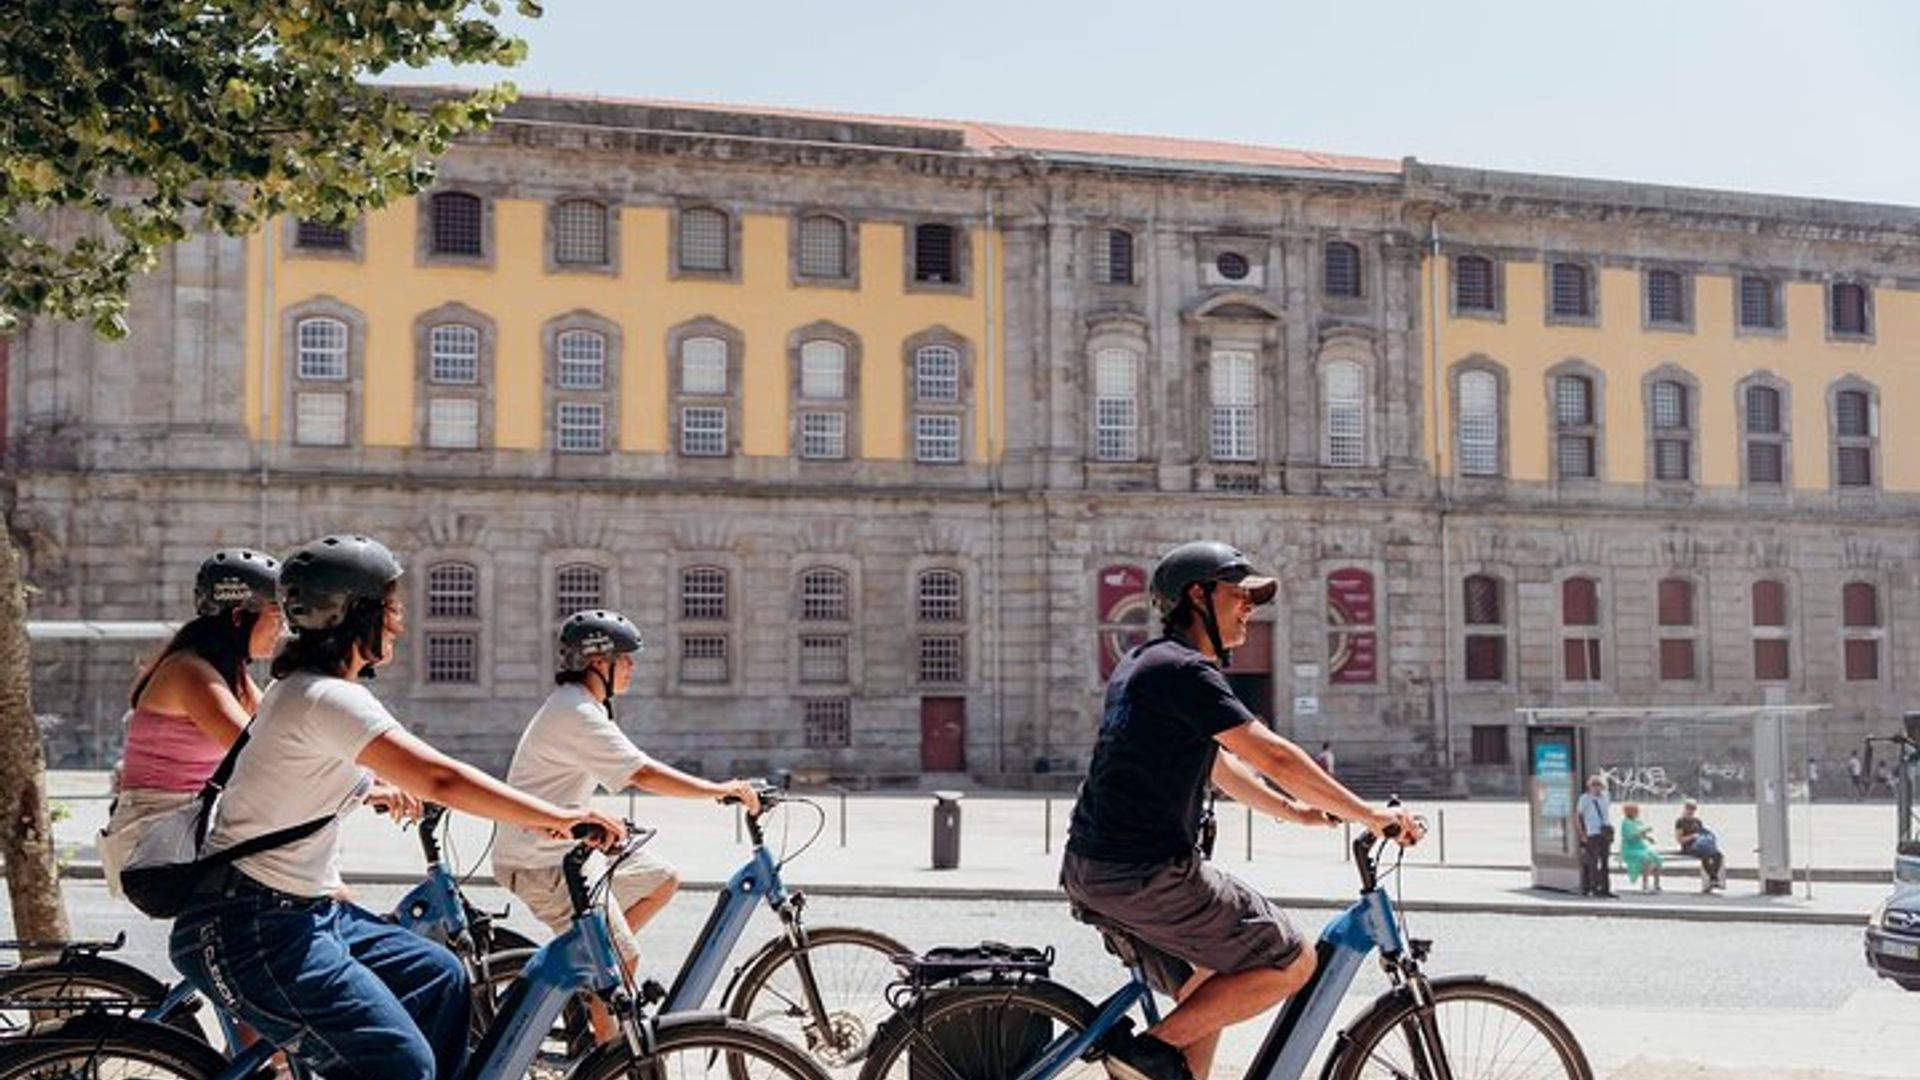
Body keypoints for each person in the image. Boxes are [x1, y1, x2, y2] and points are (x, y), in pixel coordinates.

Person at [168, 535, 625, 1080]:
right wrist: (558, 818)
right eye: (391, 607)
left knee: (440, 976)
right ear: (354, 613)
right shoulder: (326, 696)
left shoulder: (313, 689)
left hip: (301, 914)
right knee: (396, 1064)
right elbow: (440, 777)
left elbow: (385, 772)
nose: (400, 623)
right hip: (252, 930)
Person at [1061, 541, 1421, 1080]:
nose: (1250, 607)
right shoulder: (1185, 672)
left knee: (1208, 987)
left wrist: (1294, 811)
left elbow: (1220, 767)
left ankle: (1165, 1063)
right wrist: (1370, 816)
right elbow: (1271, 753)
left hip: (1096, 870)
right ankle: (1143, 1051)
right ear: (1198, 596)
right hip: (1145, 874)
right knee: (1292, 961)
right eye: (1239, 594)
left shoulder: (1146, 663)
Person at [492, 608, 762, 1042]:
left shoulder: (585, 708)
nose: (633, 667)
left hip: (570, 854)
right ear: (599, 662)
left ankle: (589, 978)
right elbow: (642, 773)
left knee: (661, 880)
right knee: (622, 960)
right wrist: (718, 789)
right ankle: (610, 1056)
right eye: (627, 658)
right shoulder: (575, 711)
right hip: (539, 862)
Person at [98, 549, 282, 897]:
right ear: (241, 616)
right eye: (276, 615)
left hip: (189, 837)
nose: (282, 628)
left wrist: (372, 772)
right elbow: (260, 754)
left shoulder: (227, 672)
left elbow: (280, 728)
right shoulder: (190, 674)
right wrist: (365, 789)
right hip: (157, 851)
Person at [1575, 774, 1614, 898]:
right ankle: (1593, 888)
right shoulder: (1585, 798)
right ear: (1589, 786)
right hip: (1592, 833)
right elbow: (1578, 816)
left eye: (1599, 784)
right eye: (1594, 784)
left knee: (1605, 862)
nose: (1597, 787)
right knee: (1593, 862)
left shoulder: (1606, 796)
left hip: (1605, 832)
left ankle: (1605, 888)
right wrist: (1582, 834)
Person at [1674, 798, 1725, 892]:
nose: (1691, 810)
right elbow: (1679, 839)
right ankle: (1713, 878)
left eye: (1693, 808)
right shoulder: (1680, 821)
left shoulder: (1697, 821)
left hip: (1700, 845)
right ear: (1685, 808)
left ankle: (1713, 879)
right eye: (1689, 808)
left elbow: (1702, 833)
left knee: (1718, 855)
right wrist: (1692, 837)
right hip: (1688, 847)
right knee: (1705, 855)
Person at [1617, 802, 1662, 894]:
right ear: (1630, 812)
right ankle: (1645, 885)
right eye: (1636, 810)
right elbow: (1630, 836)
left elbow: (1640, 834)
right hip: (1630, 849)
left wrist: (1648, 837)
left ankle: (1656, 884)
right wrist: (1644, 831)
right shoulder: (1626, 823)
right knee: (1647, 859)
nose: (1638, 812)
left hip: (1640, 847)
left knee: (1657, 857)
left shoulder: (1637, 821)